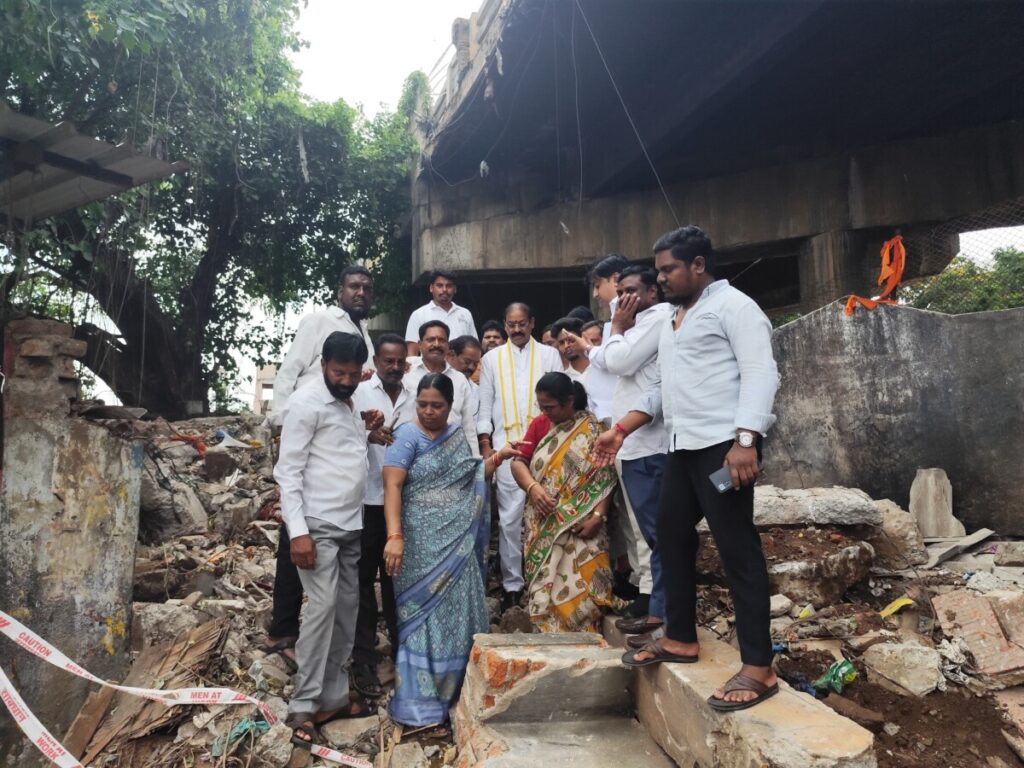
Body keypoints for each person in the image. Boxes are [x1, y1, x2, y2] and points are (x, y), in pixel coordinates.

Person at [594, 225, 780, 712]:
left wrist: (746, 441)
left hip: (723, 451)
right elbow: (663, 391)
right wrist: (623, 429)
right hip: (681, 450)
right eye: (658, 271)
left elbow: (762, 373)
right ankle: (679, 637)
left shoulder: (734, 308)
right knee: (672, 538)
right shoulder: (677, 318)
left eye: (669, 269)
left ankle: (759, 667)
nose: (662, 279)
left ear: (698, 265)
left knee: (738, 549)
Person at [381, 374, 521, 733]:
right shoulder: (405, 437)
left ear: (450, 405)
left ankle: (461, 694)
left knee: (459, 610)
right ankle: (420, 705)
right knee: (420, 616)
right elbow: (392, 487)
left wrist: (499, 457)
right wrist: (394, 535)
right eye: (423, 405)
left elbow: (471, 475)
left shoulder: (457, 435)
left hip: (456, 542)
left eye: (437, 406)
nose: (429, 412)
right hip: (417, 541)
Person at [275, 332, 383, 747]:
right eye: (339, 372)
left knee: (346, 610)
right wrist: (297, 533)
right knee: (321, 609)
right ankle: (303, 705)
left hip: (350, 524)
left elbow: (341, 452)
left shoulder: (348, 401)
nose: (346, 380)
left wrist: (367, 433)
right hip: (316, 526)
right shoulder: (305, 403)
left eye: (354, 374)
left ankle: (334, 698)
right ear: (323, 365)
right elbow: (288, 472)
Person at [264, 266, 375, 668]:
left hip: (338, 435)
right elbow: (290, 370)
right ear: (339, 290)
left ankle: (318, 650)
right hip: (305, 429)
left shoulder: (364, 336)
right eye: (353, 286)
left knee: (320, 557)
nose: (360, 293)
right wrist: (281, 421)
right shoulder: (317, 322)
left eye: (366, 288)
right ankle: (283, 629)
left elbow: (358, 389)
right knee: (296, 536)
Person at [568, 265, 671, 635]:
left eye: (630, 290)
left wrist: (614, 330)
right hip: (629, 438)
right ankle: (652, 600)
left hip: (649, 441)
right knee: (638, 529)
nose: (617, 298)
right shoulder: (635, 325)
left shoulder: (656, 320)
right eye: (620, 291)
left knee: (655, 532)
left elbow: (618, 360)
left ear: (652, 293)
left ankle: (660, 608)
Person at [509, 373, 621, 632]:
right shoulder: (540, 424)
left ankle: (589, 644)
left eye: (550, 407)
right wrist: (533, 488)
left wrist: (598, 517)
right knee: (546, 586)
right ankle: (549, 638)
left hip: (586, 525)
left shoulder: (593, 429)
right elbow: (518, 462)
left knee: (585, 585)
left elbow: (605, 477)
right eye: (541, 406)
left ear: (569, 401)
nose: (545, 412)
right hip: (545, 523)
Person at [476, 303, 563, 611]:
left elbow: (563, 398)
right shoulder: (491, 359)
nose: (516, 329)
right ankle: (513, 585)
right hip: (507, 446)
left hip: (548, 445)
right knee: (510, 518)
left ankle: (548, 581)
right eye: (511, 324)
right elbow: (484, 406)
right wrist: (487, 447)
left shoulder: (550, 355)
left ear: (532, 323)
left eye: (522, 323)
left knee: (548, 511)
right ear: (505, 324)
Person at [349, 333, 414, 699]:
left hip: (400, 502)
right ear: (378, 359)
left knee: (396, 583)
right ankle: (364, 659)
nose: (392, 367)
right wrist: (367, 435)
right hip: (363, 502)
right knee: (361, 585)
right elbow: (342, 438)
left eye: (399, 361)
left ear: (406, 362)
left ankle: (403, 653)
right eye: (387, 360)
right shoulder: (359, 393)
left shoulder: (413, 395)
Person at [585, 254, 646, 603]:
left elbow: (616, 362)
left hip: (636, 433)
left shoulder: (640, 322)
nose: (596, 294)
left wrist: (593, 347)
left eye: (599, 284)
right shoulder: (613, 325)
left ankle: (651, 595)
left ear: (617, 279)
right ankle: (637, 583)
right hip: (614, 431)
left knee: (640, 519)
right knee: (623, 517)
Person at [404, 320, 478, 455]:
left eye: (441, 340)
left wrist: (475, 462)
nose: (436, 344)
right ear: (420, 345)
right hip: (411, 454)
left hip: (450, 456)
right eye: (431, 340)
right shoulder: (405, 372)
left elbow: (468, 426)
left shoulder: (459, 379)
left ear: (448, 346)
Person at [404, 270, 477, 357]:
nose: (444, 290)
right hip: (430, 369)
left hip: (460, 369)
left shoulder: (465, 314)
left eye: (449, 286)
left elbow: (473, 345)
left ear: (455, 289)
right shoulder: (419, 314)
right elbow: (412, 352)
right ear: (431, 288)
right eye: (439, 285)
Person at [549, 316, 588, 381]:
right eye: (561, 343)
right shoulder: (563, 379)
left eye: (570, 340)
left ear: (582, 338)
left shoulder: (600, 367)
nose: (566, 346)